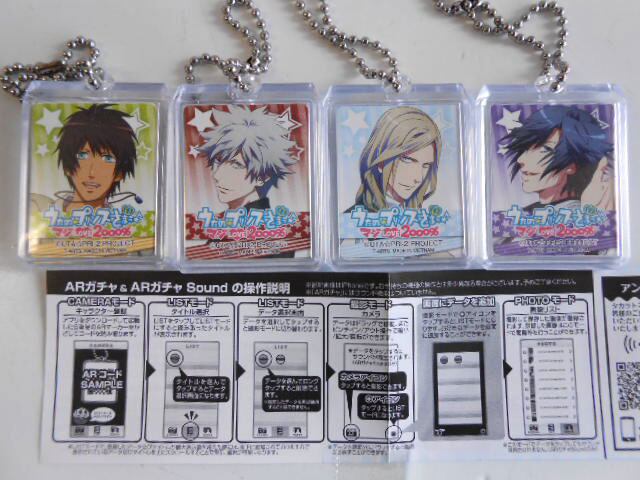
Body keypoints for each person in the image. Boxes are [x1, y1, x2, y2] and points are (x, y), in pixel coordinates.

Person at [502, 105, 614, 212]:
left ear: (572, 166)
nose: (521, 159)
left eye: (545, 149)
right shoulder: (525, 213)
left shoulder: (579, 213)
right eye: (525, 148)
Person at [31, 104, 138, 214]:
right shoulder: (36, 208)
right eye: (82, 156)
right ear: (67, 167)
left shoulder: (126, 223)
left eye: (107, 158)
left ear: (119, 174)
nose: (92, 172)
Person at [199, 105, 298, 212]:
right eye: (218, 161)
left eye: (236, 165)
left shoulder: (262, 218)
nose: (217, 175)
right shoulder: (225, 217)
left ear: (262, 177)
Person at [348, 106, 442, 213]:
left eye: (426, 165)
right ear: (381, 160)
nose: (418, 178)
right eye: (407, 160)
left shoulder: (419, 216)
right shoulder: (350, 218)